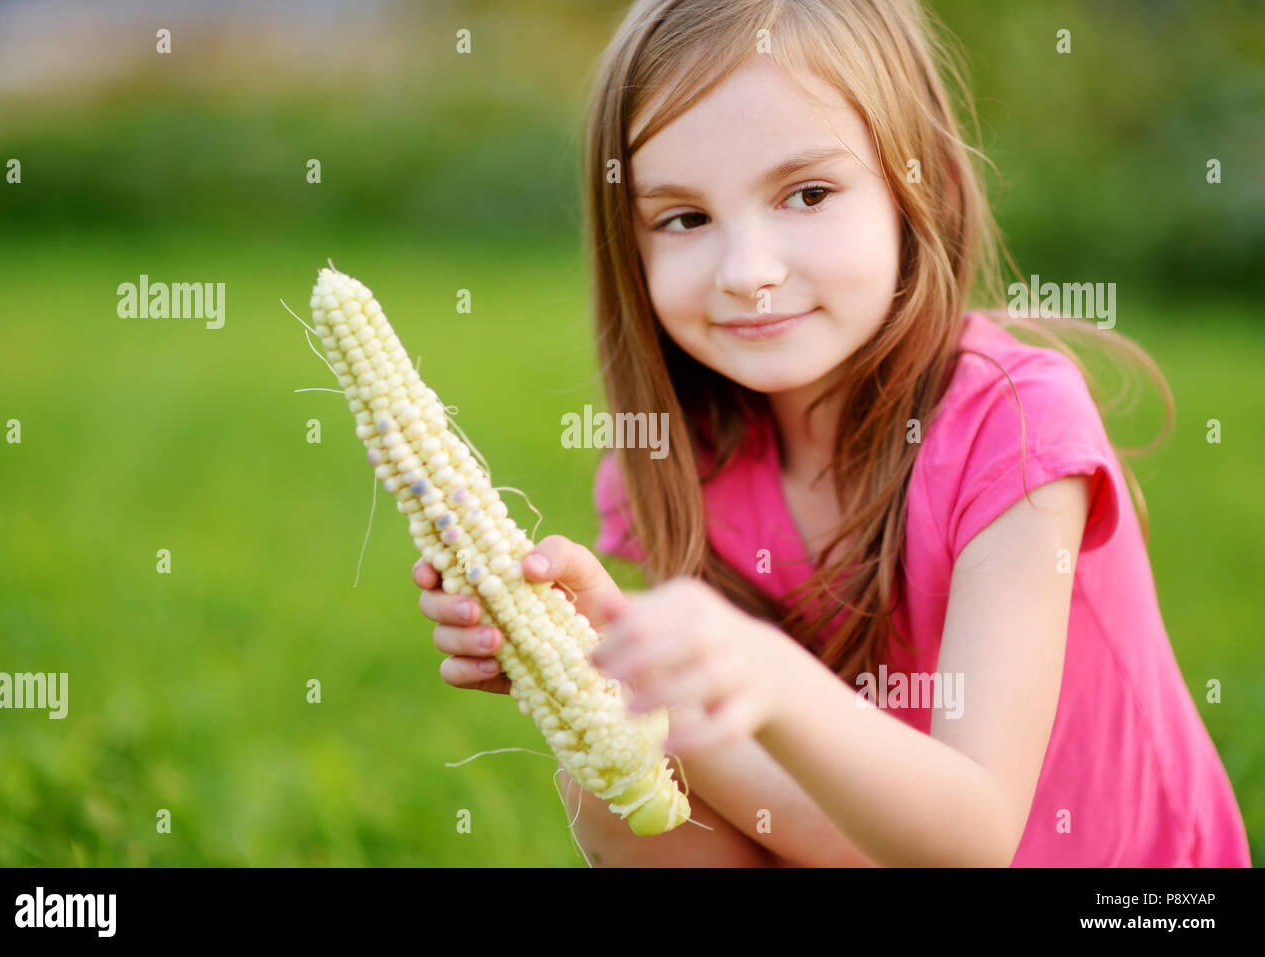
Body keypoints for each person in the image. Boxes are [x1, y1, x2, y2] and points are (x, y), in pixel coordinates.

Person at [414, 0, 1251, 867]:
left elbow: (973, 839)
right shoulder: (672, 467)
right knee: (617, 778)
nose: (749, 272)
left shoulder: (1015, 423)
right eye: (685, 218)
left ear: (917, 187)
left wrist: (761, 679)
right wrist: (610, 661)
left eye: (807, 193)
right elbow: (819, 829)